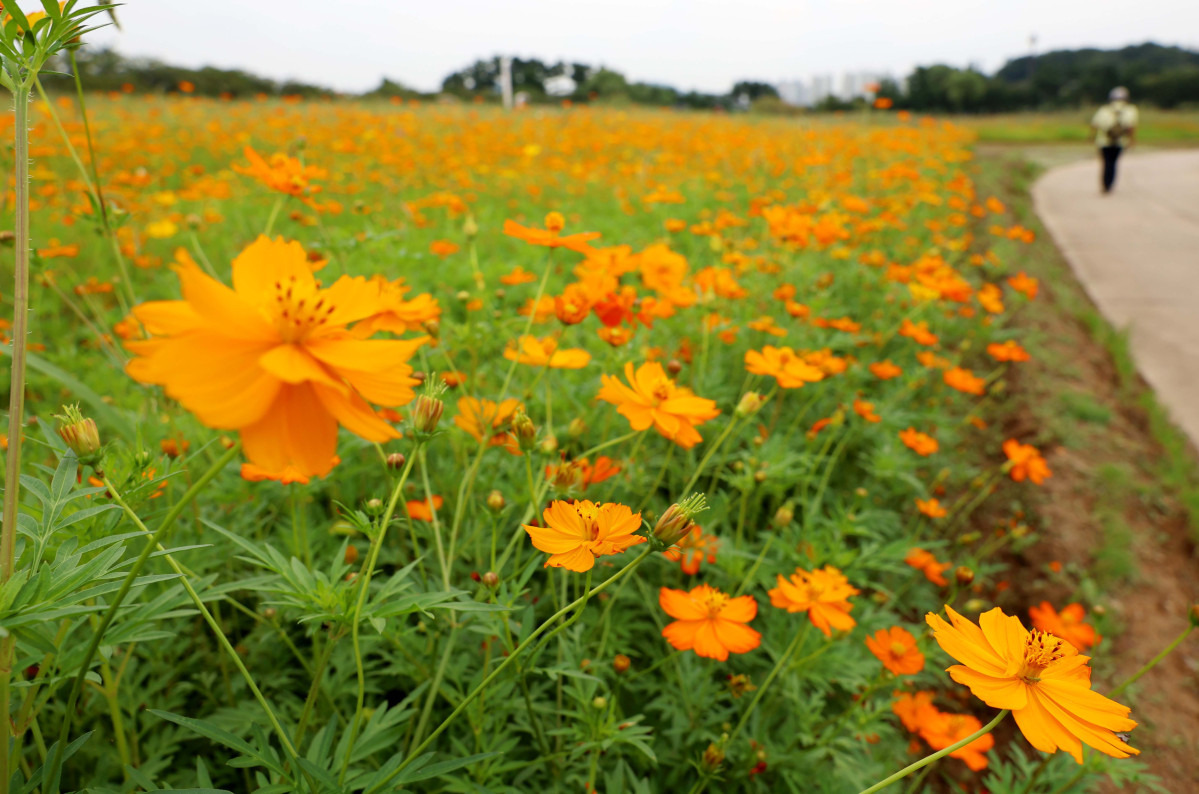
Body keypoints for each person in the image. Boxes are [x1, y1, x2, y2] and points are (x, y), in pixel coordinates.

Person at [1090, 87, 1138, 194]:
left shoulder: (1104, 109)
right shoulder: (1130, 110)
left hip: (1103, 141)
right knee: (1113, 163)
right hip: (1119, 141)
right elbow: (1131, 127)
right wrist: (1132, 140)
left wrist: (1091, 137)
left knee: (1106, 163)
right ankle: (1109, 184)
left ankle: (1105, 184)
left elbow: (1094, 124)